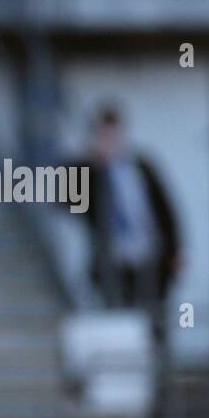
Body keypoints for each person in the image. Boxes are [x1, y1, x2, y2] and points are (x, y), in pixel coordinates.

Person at [78, 105, 181, 318]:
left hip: (147, 251)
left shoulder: (142, 166)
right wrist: (92, 165)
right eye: (105, 136)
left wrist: (175, 248)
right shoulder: (91, 173)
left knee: (153, 311)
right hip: (115, 258)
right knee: (118, 314)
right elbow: (69, 199)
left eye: (114, 135)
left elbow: (165, 208)